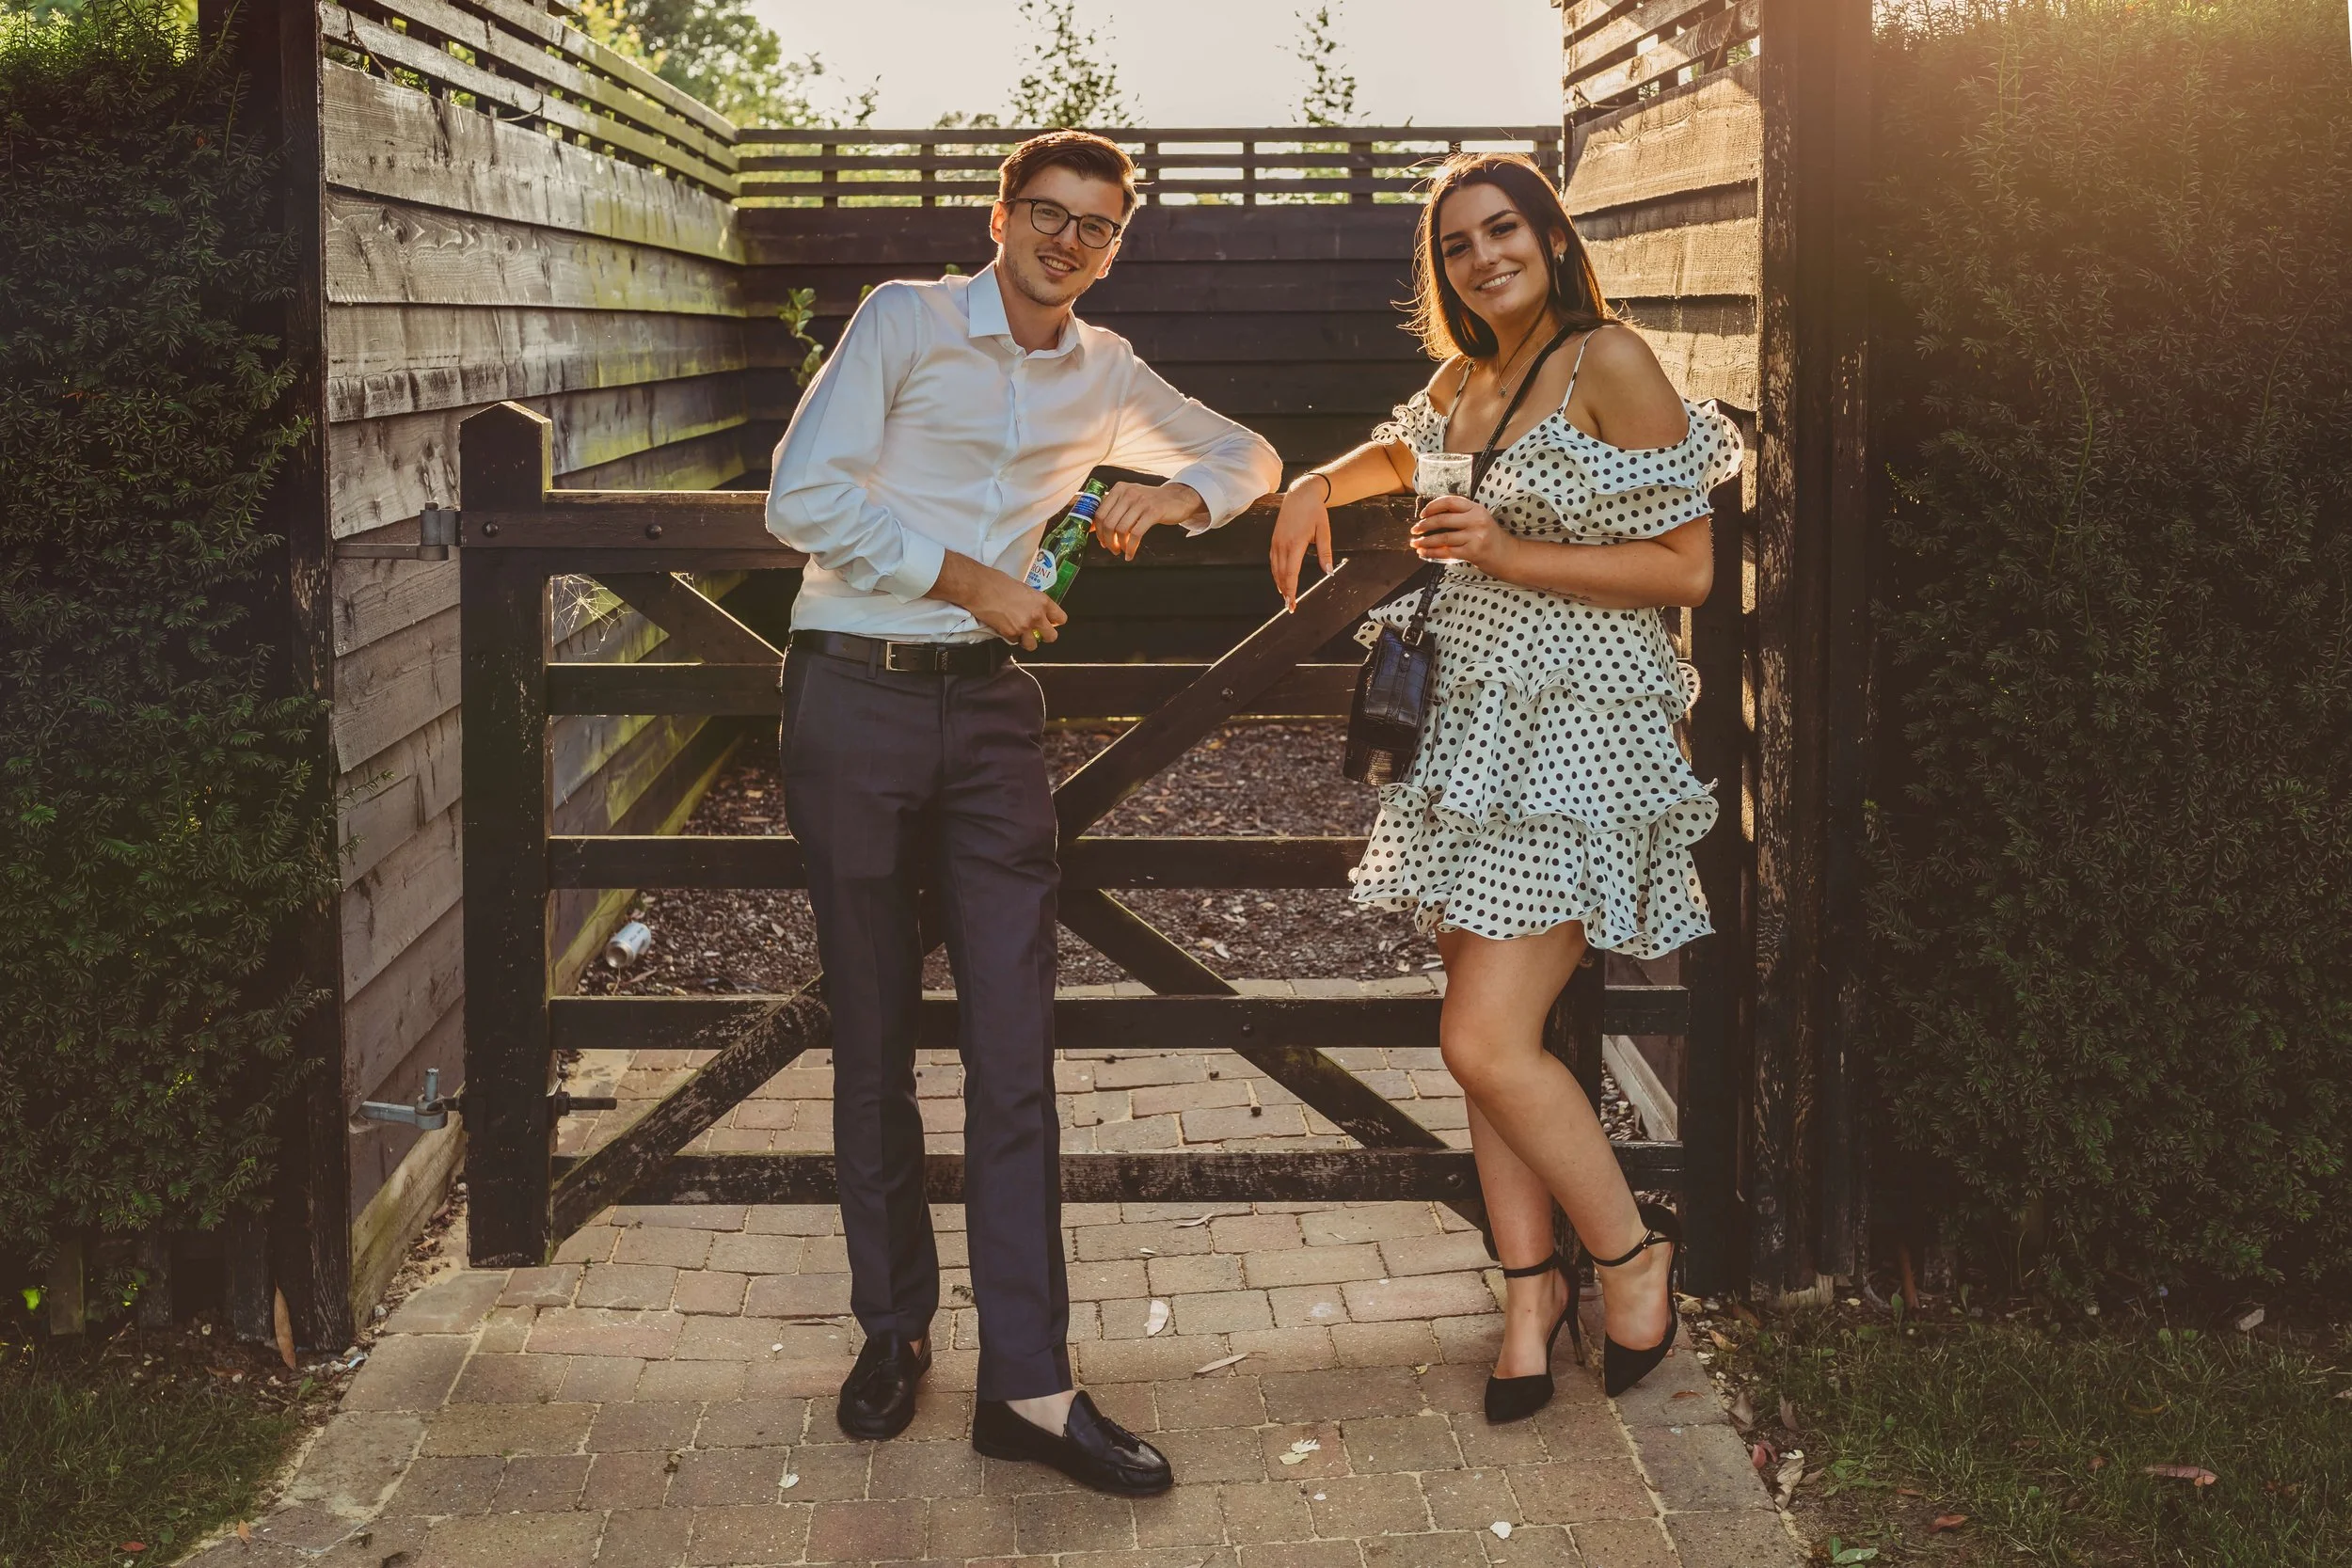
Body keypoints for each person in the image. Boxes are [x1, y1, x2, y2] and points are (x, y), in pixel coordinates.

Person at [765, 130, 1280, 1494]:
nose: (1066, 241)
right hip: (853, 694)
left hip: (993, 722)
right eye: (1044, 214)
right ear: (998, 215)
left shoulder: (1105, 371)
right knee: (871, 1036)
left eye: (1095, 227)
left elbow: (1255, 456)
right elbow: (799, 494)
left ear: (1118, 243)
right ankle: (893, 1332)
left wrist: (1172, 490)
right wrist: (969, 581)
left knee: (1014, 1048)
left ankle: (1031, 1386)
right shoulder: (904, 321)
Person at [1270, 152, 1740, 1420]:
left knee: (1480, 1036)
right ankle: (1529, 1291)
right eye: (1460, 245)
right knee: (1495, 1043)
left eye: (1504, 230)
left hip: (1576, 739)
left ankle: (1634, 1258)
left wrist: (1507, 550)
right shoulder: (1468, 377)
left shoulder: (1611, 360)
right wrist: (1320, 479)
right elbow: (1403, 445)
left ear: (1549, 234)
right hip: (1470, 738)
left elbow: (1688, 568)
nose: (1485, 257)